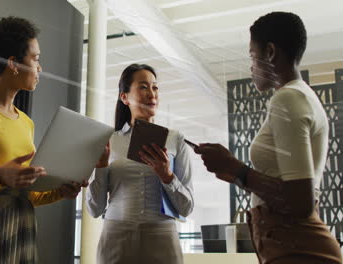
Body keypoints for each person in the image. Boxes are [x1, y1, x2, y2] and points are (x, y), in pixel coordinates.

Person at [194, 12, 342, 264]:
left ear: (270, 52)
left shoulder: (287, 98)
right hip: (290, 246)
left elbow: (300, 201)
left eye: (253, 56)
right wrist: (235, 175)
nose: (251, 66)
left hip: (299, 248)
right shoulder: (300, 97)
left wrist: (236, 169)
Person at [0, 16, 85, 264]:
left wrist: (59, 191)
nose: (40, 68)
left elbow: (30, 193)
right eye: (35, 59)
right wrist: (0, 176)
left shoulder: (25, 122)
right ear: (13, 63)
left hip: (21, 224)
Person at [86, 64, 194, 264]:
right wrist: (100, 166)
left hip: (162, 239)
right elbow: (95, 209)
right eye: (143, 87)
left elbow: (186, 208)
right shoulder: (108, 140)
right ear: (124, 97)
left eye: (155, 87)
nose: (152, 94)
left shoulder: (175, 139)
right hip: (116, 238)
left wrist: (167, 176)